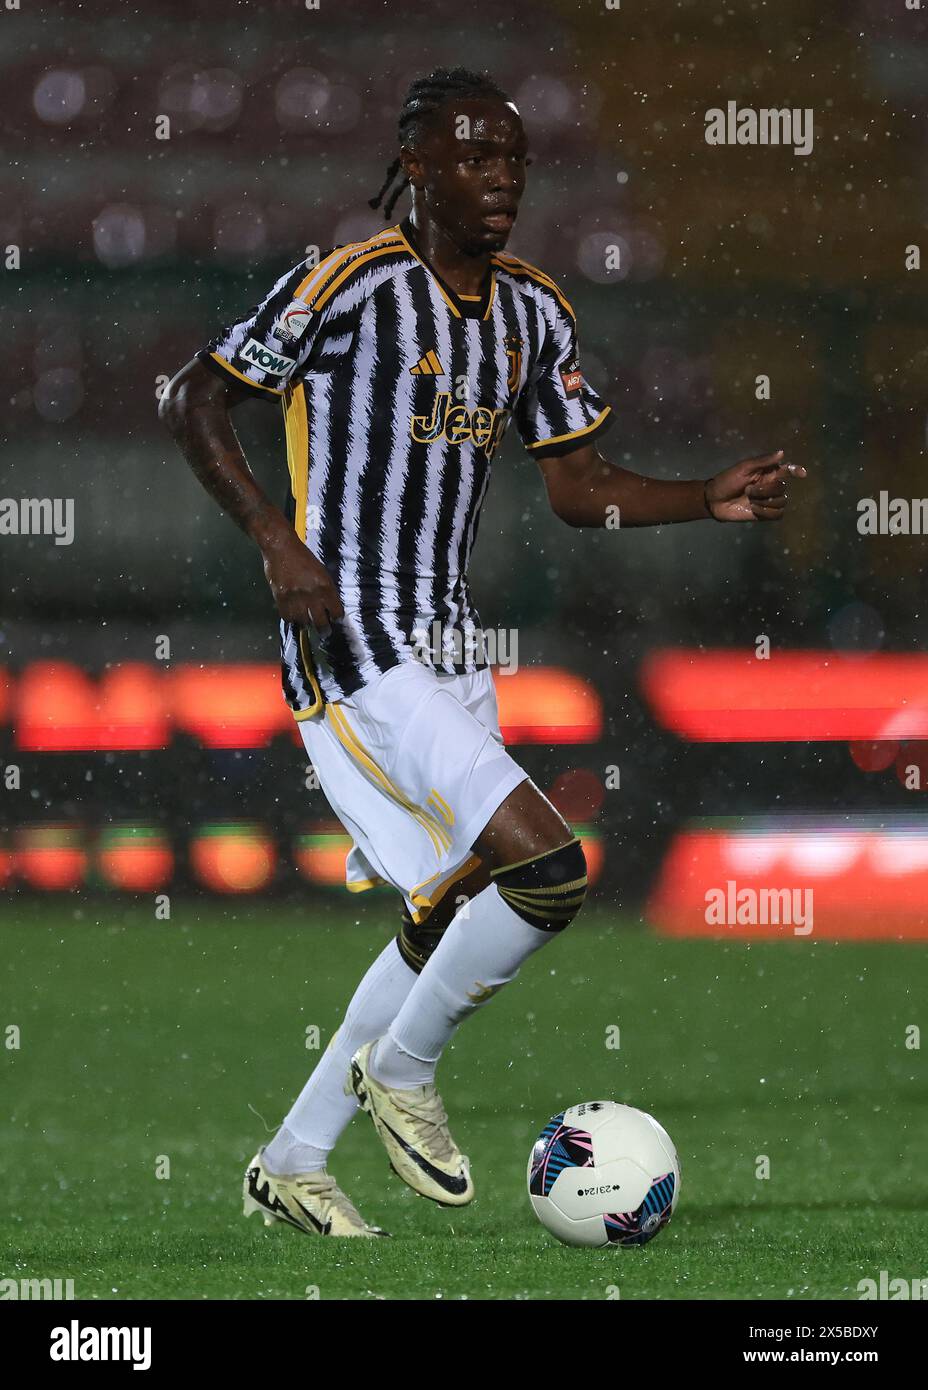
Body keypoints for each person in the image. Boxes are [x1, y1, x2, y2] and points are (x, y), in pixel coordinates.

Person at [160, 65, 805, 1237]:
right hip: (348, 630)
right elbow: (195, 398)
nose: (500, 178)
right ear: (416, 167)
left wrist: (703, 498)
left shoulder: (533, 310)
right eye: (473, 156)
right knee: (548, 871)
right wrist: (271, 539)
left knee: (450, 910)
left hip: (447, 643)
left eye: (513, 159)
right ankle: (403, 1071)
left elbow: (579, 487)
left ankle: (293, 1159)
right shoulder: (349, 282)